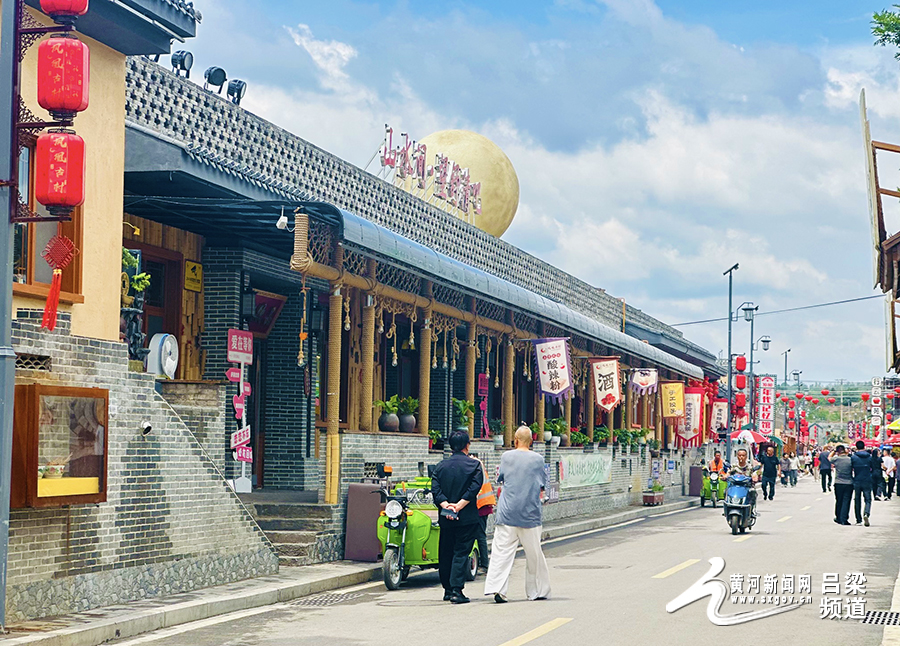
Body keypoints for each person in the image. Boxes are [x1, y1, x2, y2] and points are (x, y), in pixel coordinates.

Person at [483, 426, 551, 603]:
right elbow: (542, 485)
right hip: (530, 513)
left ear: (515, 440)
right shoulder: (538, 459)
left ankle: (498, 589)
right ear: (531, 441)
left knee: (501, 552)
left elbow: (501, 478)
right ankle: (536, 591)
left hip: (507, 512)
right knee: (534, 554)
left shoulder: (506, 457)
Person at [431, 431, 484, 603]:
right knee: (461, 552)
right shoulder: (474, 466)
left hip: (446, 517)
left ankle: (447, 590)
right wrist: (459, 505)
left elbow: (435, 489)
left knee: (445, 552)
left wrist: (446, 505)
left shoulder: (440, 466)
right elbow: (474, 488)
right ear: (467, 445)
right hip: (467, 518)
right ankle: (456, 590)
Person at [474, 457, 496, 574]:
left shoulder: (475, 465)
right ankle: (482, 562)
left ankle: (484, 564)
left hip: (481, 505)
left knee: (480, 535)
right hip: (483, 504)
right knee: (479, 534)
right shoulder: (477, 464)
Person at [850, 440, 875, 527]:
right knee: (868, 499)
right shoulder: (869, 457)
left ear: (856, 447)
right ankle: (866, 513)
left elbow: (851, 469)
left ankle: (858, 520)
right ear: (864, 447)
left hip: (857, 480)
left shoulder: (853, 457)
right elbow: (873, 468)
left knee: (857, 500)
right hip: (867, 480)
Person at [728, 449, 760, 514]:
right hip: (735, 486)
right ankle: (727, 508)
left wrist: (755, 478)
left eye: (743, 455)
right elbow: (728, 473)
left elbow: (754, 474)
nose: (741, 457)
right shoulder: (734, 466)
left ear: (746, 456)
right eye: (740, 455)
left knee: (753, 492)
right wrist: (724, 476)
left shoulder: (750, 467)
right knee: (726, 491)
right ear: (737, 456)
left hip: (746, 486)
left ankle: (752, 510)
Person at [830, 445, 853, 525]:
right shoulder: (850, 459)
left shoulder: (836, 459)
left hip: (838, 483)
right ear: (845, 451)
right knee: (846, 501)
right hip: (849, 482)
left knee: (839, 500)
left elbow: (829, 458)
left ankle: (838, 517)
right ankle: (844, 519)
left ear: (837, 452)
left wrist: (833, 451)